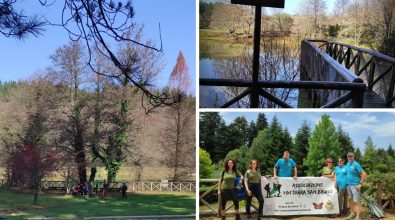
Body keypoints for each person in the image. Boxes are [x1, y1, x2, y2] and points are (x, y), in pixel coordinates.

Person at [345, 152, 367, 220]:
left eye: (351, 156)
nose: (349, 157)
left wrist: (360, 184)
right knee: (350, 200)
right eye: (348, 156)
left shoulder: (356, 164)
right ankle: (352, 213)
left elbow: (364, 174)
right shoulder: (347, 164)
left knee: (356, 201)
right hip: (348, 185)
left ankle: (358, 217)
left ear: (353, 156)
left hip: (355, 185)